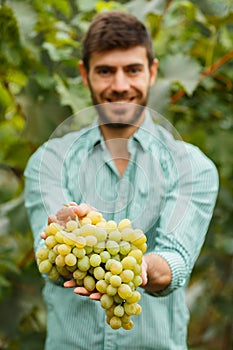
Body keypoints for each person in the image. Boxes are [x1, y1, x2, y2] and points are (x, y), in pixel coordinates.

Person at [24, 11, 219, 350]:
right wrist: (60, 245)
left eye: (132, 70)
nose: (119, 85)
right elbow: (49, 264)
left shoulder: (193, 167)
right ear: (85, 74)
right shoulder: (49, 161)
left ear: (152, 72)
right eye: (105, 71)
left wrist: (141, 267)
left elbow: (176, 261)